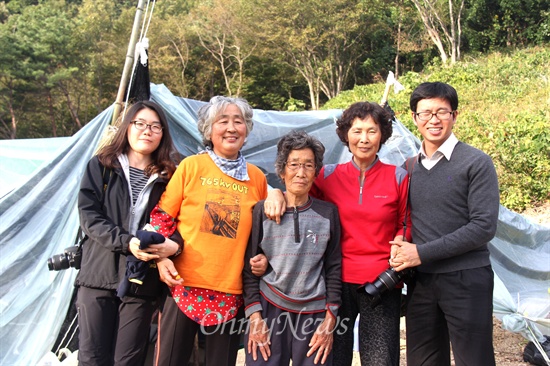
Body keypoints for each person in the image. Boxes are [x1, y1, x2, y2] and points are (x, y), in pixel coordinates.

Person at [264, 102, 411, 365]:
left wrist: (403, 239)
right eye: (357, 131)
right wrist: (273, 192)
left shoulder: (398, 177)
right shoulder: (328, 175)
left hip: (381, 282)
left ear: (383, 135)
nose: (364, 139)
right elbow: (297, 194)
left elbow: (406, 222)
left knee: (381, 359)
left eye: (371, 131)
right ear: (345, 134)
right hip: (334, 283)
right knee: (332, 357)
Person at [149, 96, 268, 366]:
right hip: (182, 284)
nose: (231, 128)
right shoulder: (191, 167)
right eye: (222, 121)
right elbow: (161, 218)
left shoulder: (257, 178)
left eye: (238, 121)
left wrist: (265, 258)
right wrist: (161, 258)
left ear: (246, 130)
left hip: (230, 290)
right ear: (208, 130)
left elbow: (262, 235)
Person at [389, 82, 500, 366]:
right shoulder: (408, 168)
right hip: (422, 281)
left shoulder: (476, 162)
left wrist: (420, 253)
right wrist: (401, 242)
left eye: (442, 112)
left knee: (473, 359)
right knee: (423, 359)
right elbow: (405, 219)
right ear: (414, 118)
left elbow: (483, 227)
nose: (433, 120)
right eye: (425, 113)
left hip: (467, 278)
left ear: (455, 115)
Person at [75, 100, 181, 366]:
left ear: (163, 134)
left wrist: (173, 246)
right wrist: (128, 242)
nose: (148, 131)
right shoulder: (101, 166)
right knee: (92, 358)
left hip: (142, 280)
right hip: (98, 275)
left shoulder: (171, 176)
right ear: (127, 127)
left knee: (129, 359)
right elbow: (89, 216)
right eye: (141, 124)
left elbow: (182, 220)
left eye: (156, 126)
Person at [243, 130, 342, 366]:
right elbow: (248, 268)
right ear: (281, 170)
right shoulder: (262, 211)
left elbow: (334, 267)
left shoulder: (328, 214)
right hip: (269, 308)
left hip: (314, 312)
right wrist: (254, 316)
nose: (301, 172)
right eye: (294, 164)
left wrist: (330, 319)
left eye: (308, 166)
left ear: (316, 172)